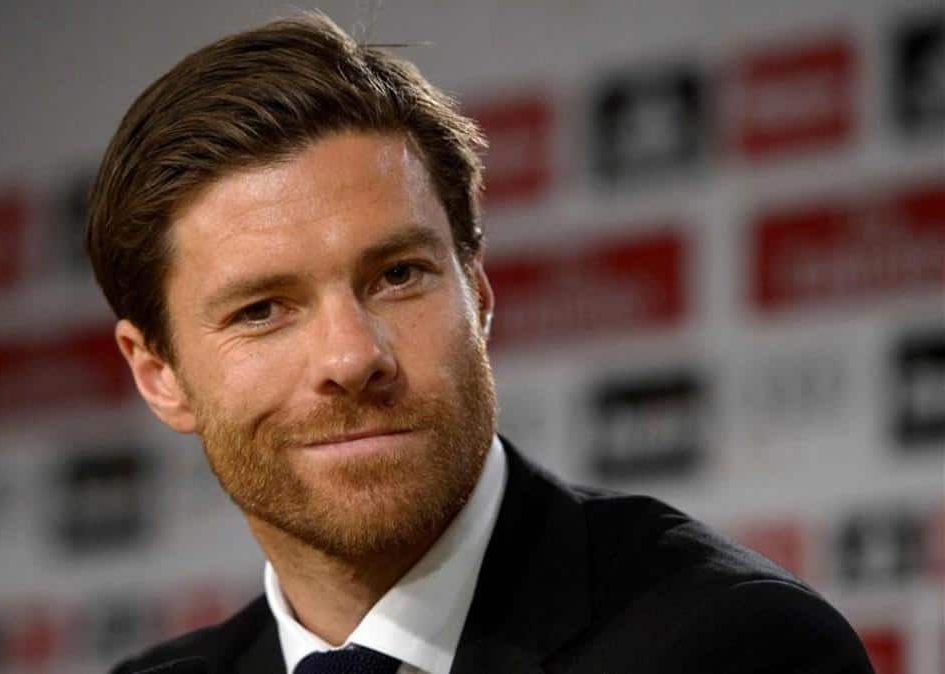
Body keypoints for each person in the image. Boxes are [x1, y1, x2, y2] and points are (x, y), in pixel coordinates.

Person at [85, 12, 873, 674]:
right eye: (261, 310)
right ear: (159, 376)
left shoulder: (735, 647)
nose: (352, 357)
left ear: (480, 293)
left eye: (398, 275)